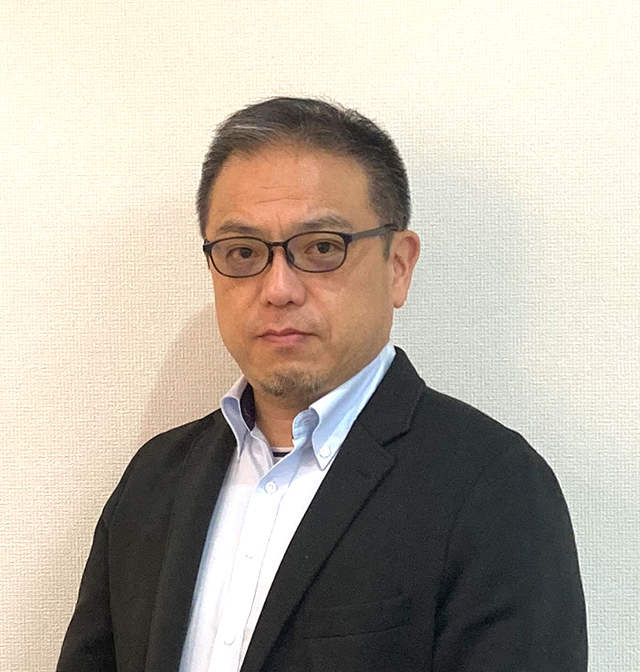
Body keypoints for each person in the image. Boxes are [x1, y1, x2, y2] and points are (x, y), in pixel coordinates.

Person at [57, 97, 587, 672]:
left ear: (398, 265)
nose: (278, 288)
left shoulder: (495, 488)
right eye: (243, 252)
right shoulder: (154, 481)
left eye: (322, 248)